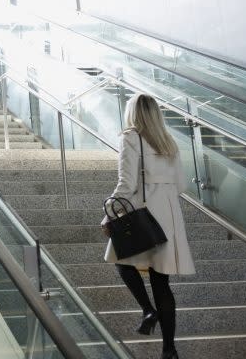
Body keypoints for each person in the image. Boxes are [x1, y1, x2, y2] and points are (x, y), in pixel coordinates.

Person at [102, 93, 196, 359]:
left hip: (143, 213)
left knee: (122, 261)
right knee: (161, 281)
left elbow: (127, 183)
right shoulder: (169, 141)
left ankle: (148, 310)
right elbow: (181, 185)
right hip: (168, 214)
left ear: (132, 112)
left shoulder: (130, 137)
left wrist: (110, 214)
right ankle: (169, 350)